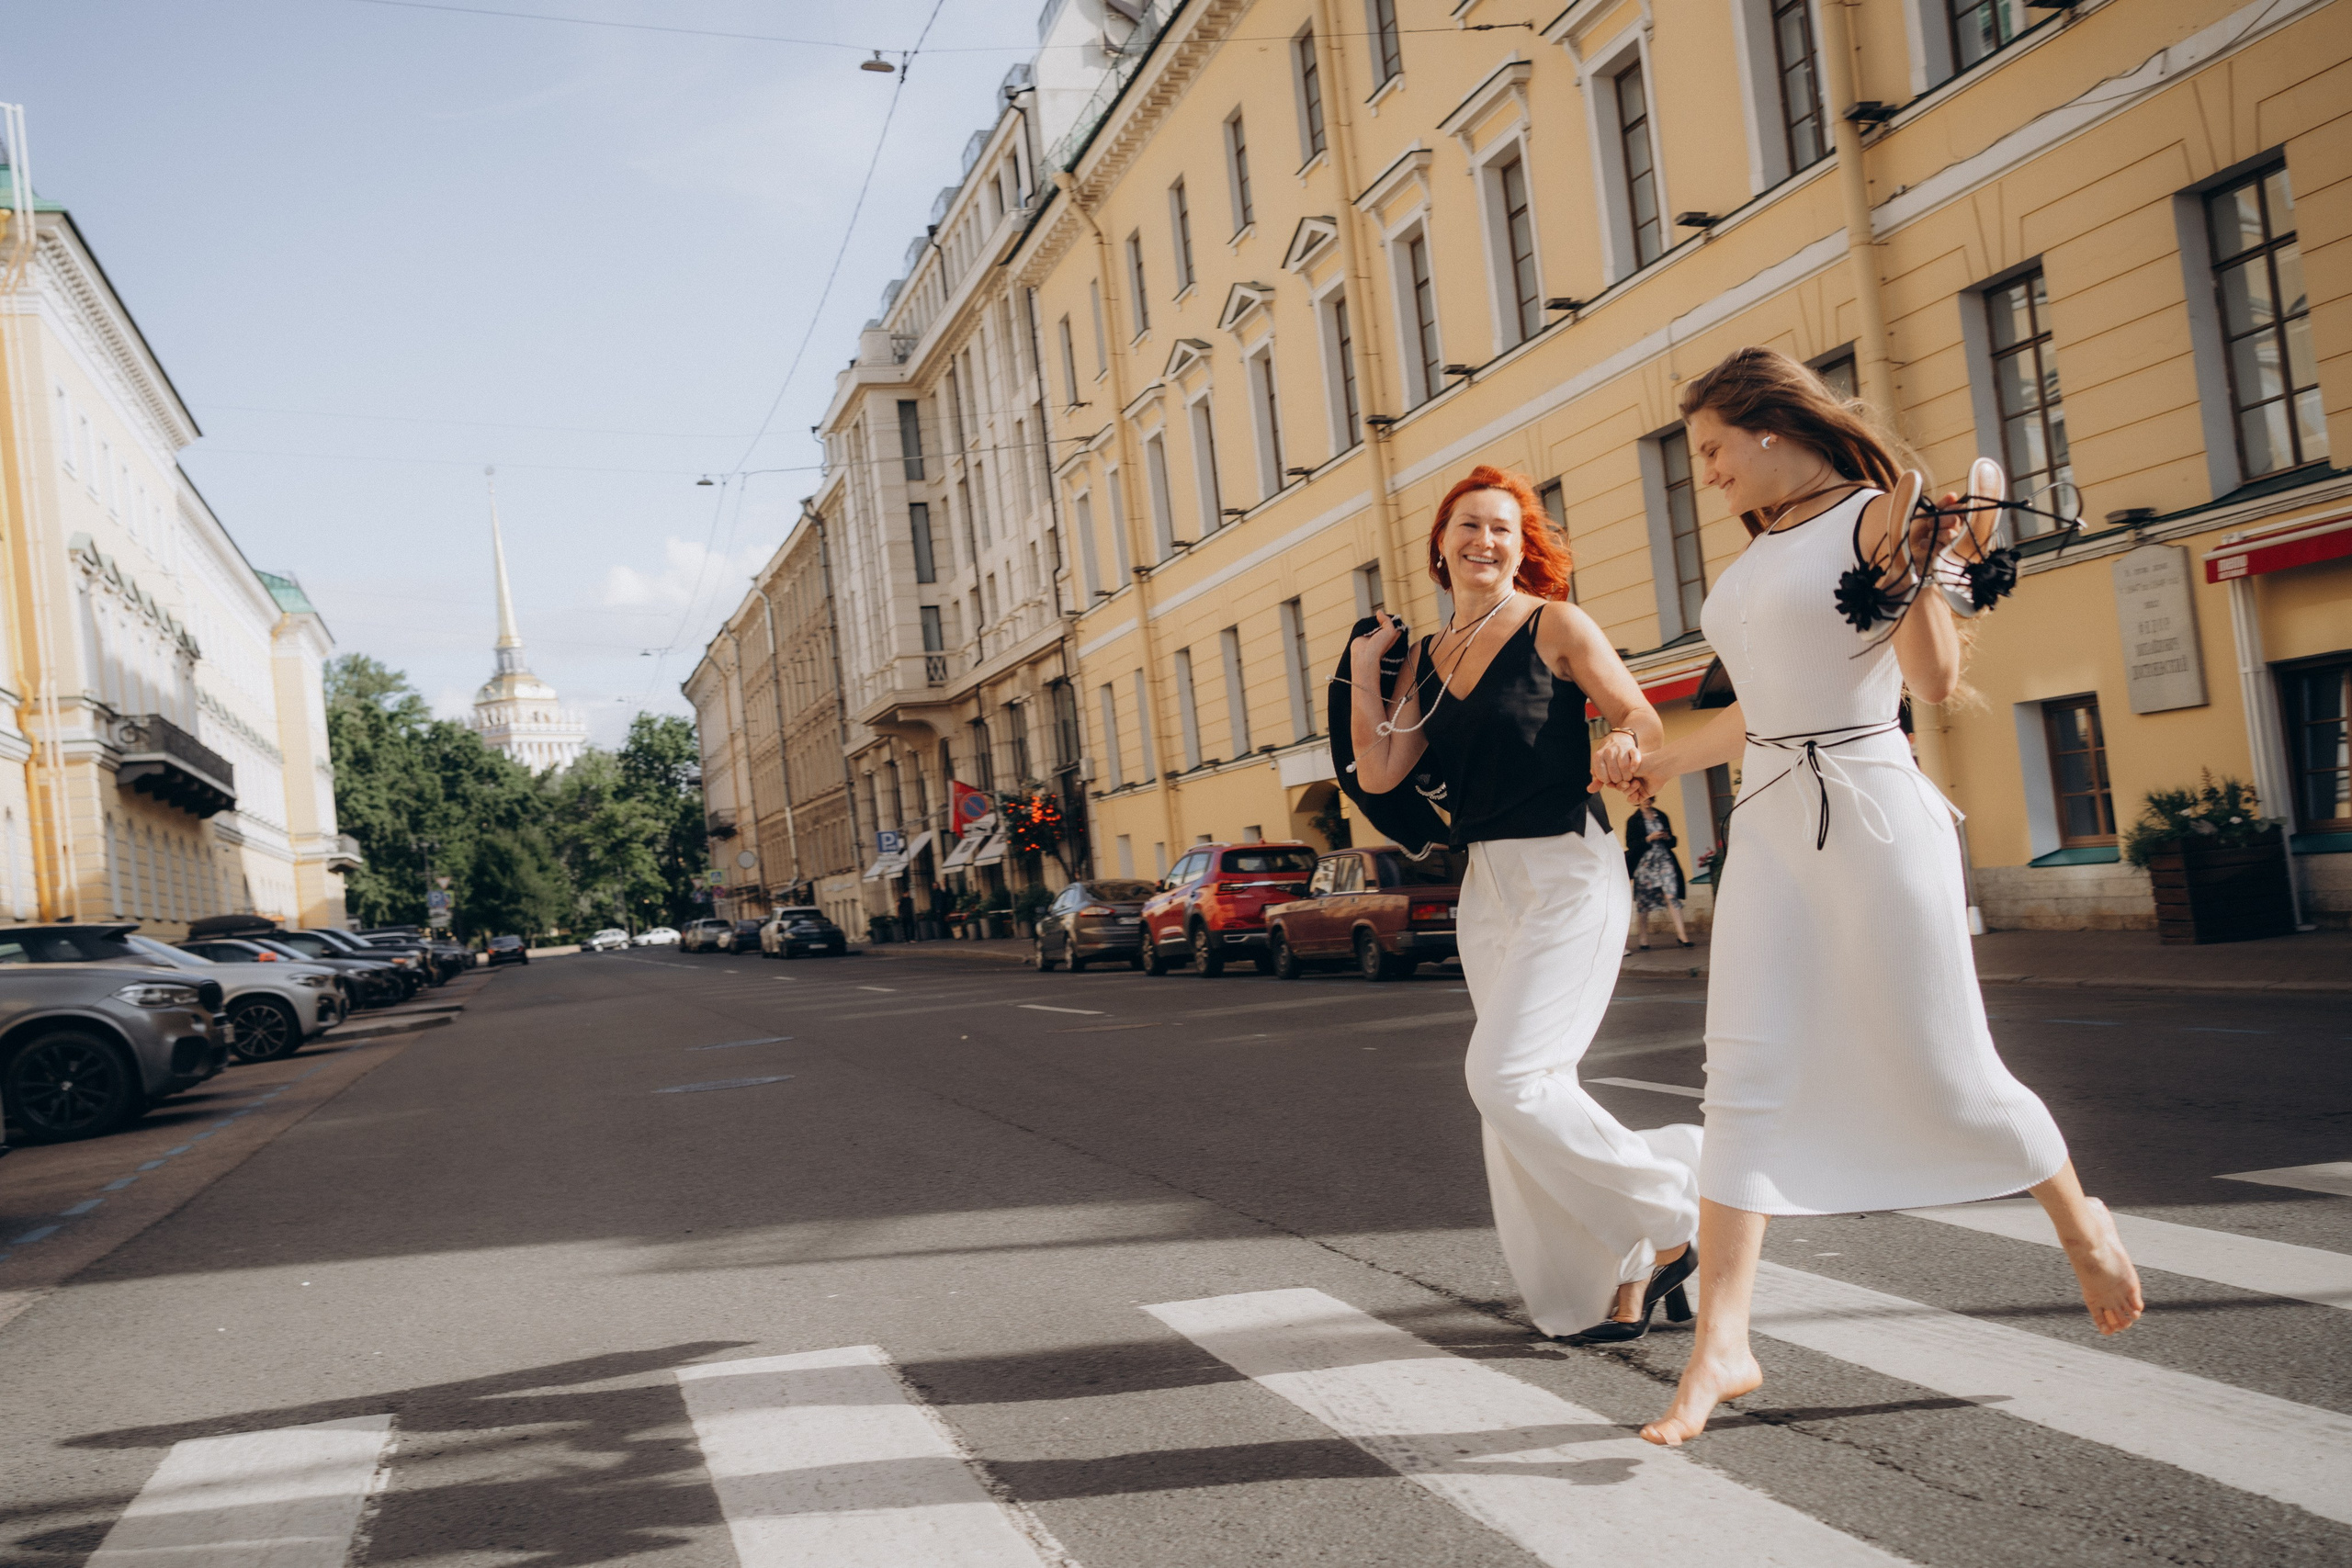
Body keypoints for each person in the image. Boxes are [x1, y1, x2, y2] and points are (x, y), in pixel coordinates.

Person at [1623, 348, 2143, 1447]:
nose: (1705, 473)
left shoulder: (1875, 515)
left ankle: (2081, 1226)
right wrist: (1662, 760)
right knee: (1743, 1077)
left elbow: (1935, 682)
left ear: (1768, 429)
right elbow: (1763, 708)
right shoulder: (1765, 549)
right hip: (1769, 822)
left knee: (1946, 1068)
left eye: (1712, 450)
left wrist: (1914, 565)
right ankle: (1723, 1342)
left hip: (1869, 816)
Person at [1343, 464, 1700, 1343]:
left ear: (1522, 545)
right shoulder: (1422, 660)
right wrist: (1362, 669)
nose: (1485, 541)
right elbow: (1381, 771)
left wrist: (1621, 738)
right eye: (1469, 525)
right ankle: (1611, 1271)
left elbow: (1642, 719)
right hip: (1488, 889)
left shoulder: (1555, 625)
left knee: (1503, 1077)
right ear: (1442, 543)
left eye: (1503, 528)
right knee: (1525, 1098)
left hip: (1569, 873)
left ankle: (1677, 1214)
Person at [1623, 802, 1691, 950]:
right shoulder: (1633, 820)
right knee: (1644, 901)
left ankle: (1682, 936)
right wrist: (1649, 838)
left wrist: (1667, 837)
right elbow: (1630, 844)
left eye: (1649, 798)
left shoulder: (1661, 815)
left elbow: (1673, 841)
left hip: (1664, 860)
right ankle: (1643, 938)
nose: (1647, 801)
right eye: (1644, 798)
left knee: (1671, 894)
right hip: (1645, 863)